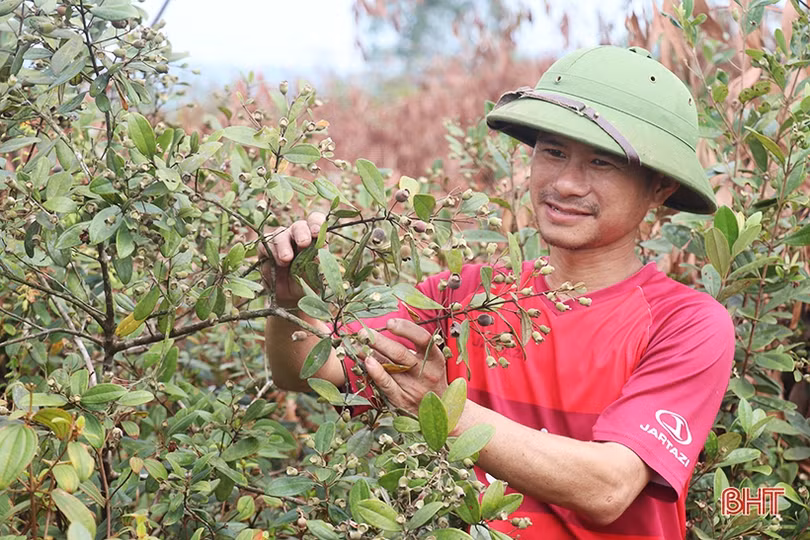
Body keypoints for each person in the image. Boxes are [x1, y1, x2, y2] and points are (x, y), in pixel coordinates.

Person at [261, 46, 735, 539]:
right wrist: (290, 298)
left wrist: (444, 407)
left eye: (602, 162)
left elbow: (609, 489)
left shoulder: (686, 324)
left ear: (658, 188)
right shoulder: (465, 296)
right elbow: (306, 371)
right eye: (553, 152)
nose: (567, 184)